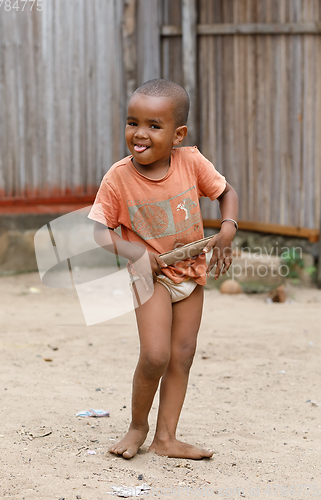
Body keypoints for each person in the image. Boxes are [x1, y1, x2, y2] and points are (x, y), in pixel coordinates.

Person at [88, 79, 238, 460]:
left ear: (178, 134)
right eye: (132, 122)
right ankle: (138, 426)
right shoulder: (119, 177)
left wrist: (227, 227)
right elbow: (100, 231)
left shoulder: (191, 162)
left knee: (182, 355)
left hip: (190, 273)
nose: (139, 134)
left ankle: (166, 437)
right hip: (149, 277)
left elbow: (226, 194)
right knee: (156, 355)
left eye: (154, 126)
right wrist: (135, 253)